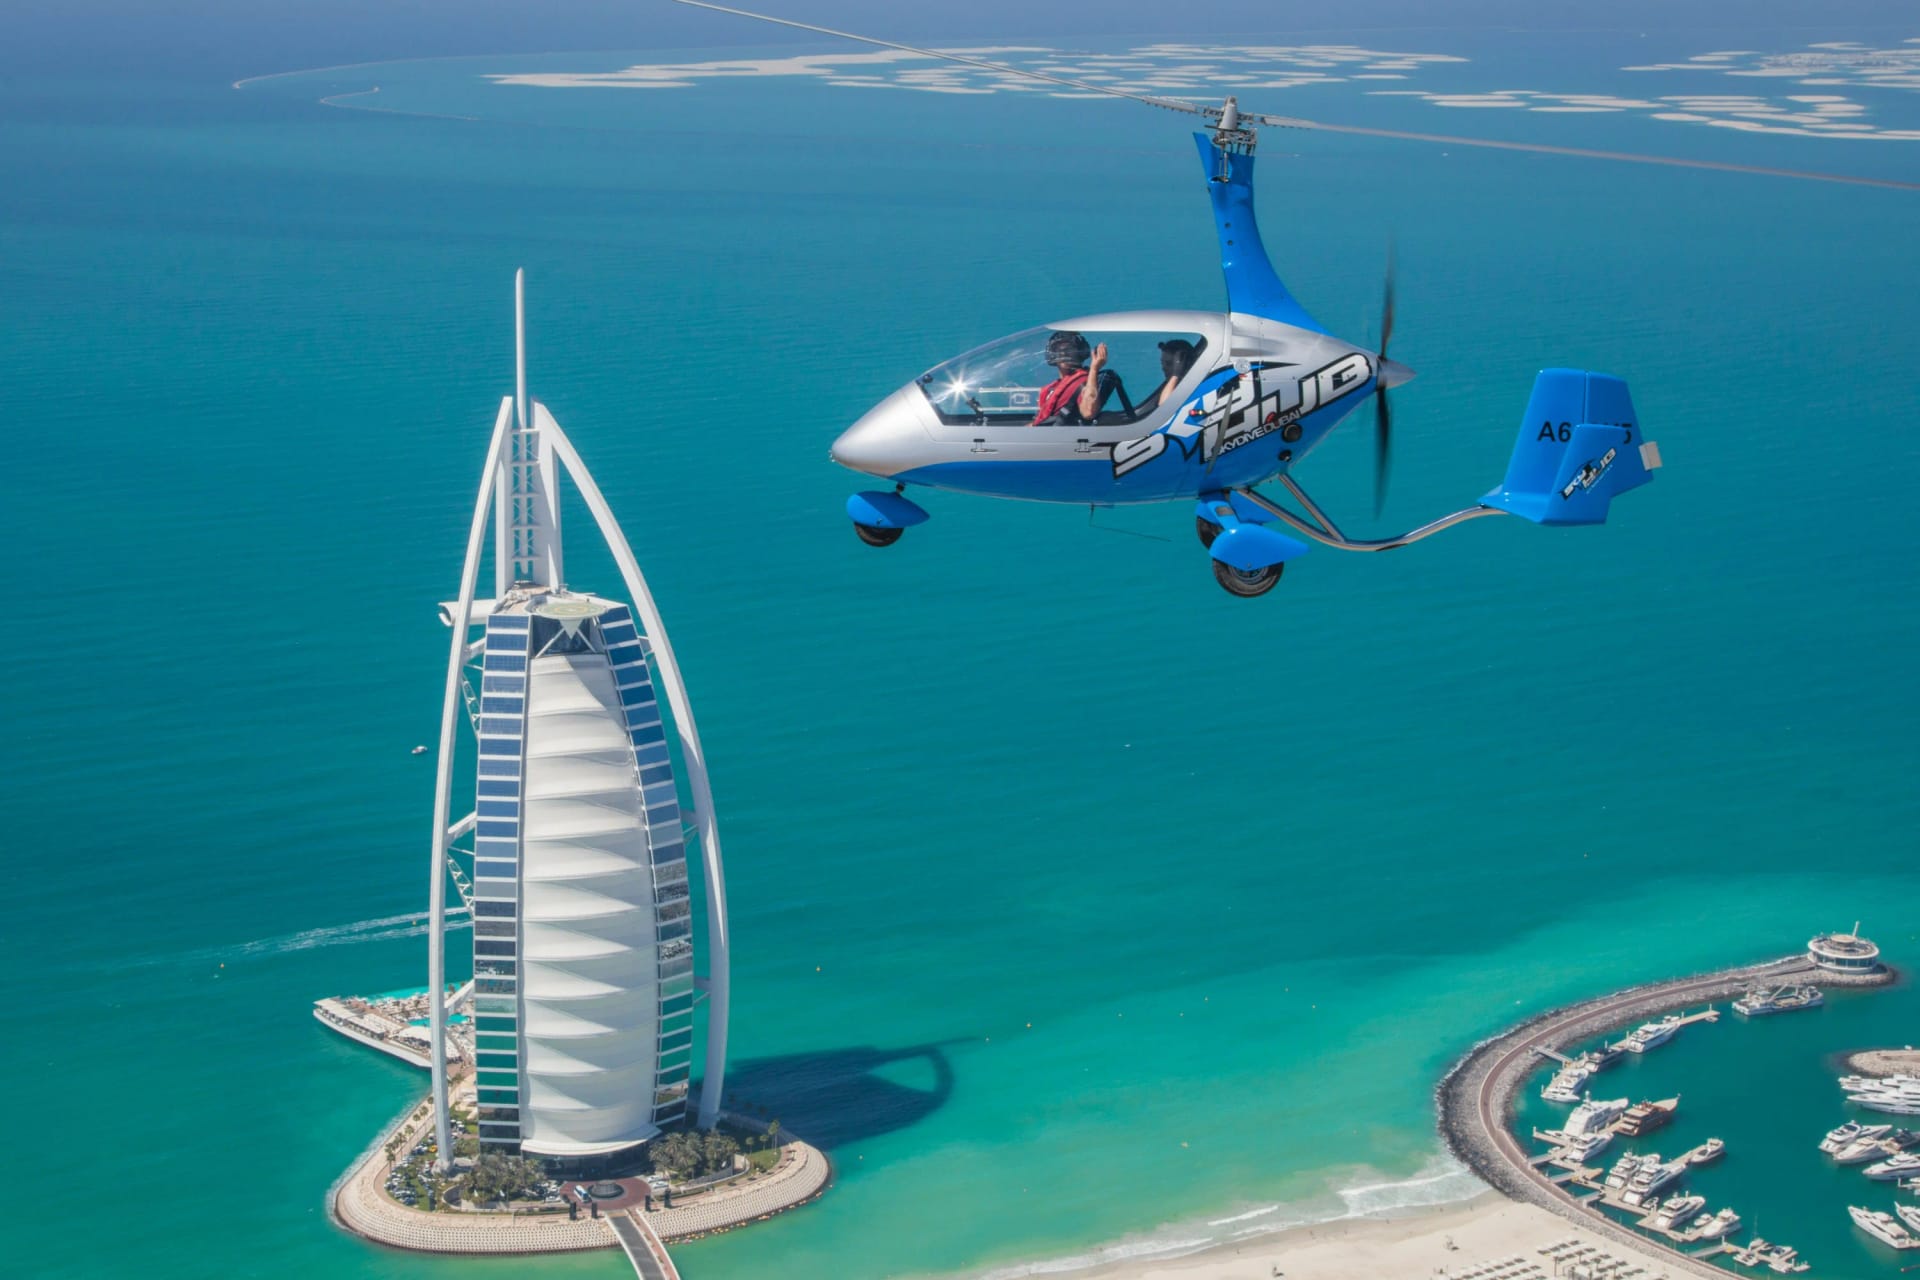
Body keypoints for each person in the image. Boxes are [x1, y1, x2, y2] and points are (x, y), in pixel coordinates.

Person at [1032, 330, 1119, 425]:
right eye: (1059, 350)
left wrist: (1094, 368)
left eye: (1069, 349)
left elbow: (1089, 412)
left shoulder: (1085, 381)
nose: (1064, 354)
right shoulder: (1050, 389)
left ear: (1079, 353)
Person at [1154, 338, 1197, 406]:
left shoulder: (1190, 387)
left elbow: (1163, 407)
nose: (1163, 368)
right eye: (1162, 363)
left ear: (1183, 364)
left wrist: (1175, 375)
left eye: (1168, 363)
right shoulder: (1170, 386)